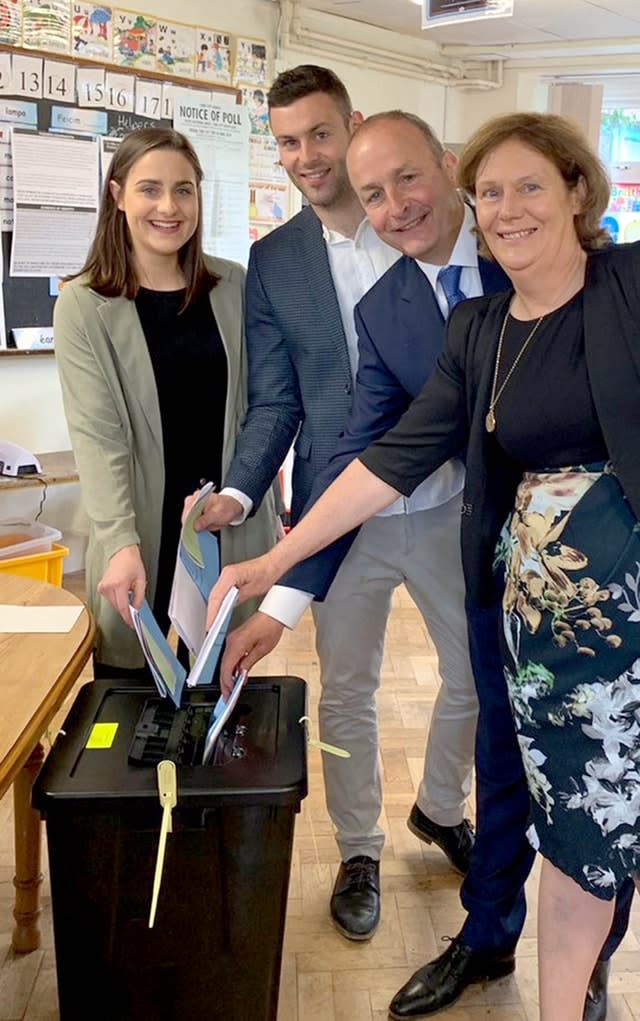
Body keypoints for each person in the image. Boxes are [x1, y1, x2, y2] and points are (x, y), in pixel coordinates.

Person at [206, 111, 640, 1021]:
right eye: (496, 193)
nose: (507, 209)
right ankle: (492, 939)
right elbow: (379, 452)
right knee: (533, 784)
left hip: (623, 633)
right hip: (524, 613)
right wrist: (277, 567)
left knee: (604, 826)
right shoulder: (456, 321)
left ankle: (591, 961)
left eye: (529, 186)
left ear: (574, 190)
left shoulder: (625, 283)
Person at [188, 66, 478, 941]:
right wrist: (241, 488)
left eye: (320, 134)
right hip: (333, 512)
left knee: (472, 675)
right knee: (346, 689)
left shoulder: (419, 226)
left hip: (445, 500)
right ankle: (358, 846)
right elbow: (276, 397)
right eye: (287, 142)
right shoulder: (276, 262)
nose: (306, 156)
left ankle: (440, 805)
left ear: (352, 127)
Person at [54, 127, 280, 675]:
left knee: (225, 693)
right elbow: (100, 438)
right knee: (131, 694)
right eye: (149, 189)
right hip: (138, 530)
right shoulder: (85, 304)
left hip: (228, 525)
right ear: (117, 195)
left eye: (184, 190)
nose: (168, 207)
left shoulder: (234, 285)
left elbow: (263, 407)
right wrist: (119, 542)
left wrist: (244, 495)